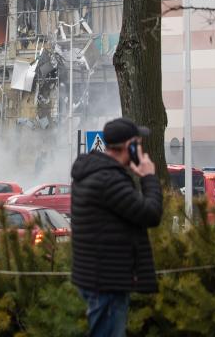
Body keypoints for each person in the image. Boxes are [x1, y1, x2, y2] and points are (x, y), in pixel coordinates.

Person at [70, 118, 163, 337]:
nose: (140, 150)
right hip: (107, 283)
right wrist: (148, 177)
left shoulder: (93, 174)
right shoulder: (108, 180)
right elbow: (150, 214)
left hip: (98, 278)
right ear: (129, 146)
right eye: (138, 144)